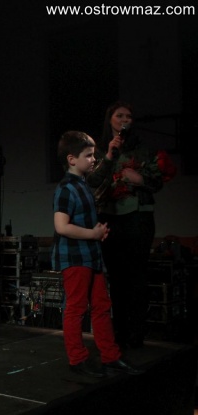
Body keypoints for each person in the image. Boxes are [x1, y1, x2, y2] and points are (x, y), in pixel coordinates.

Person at [52, 130, 143, 377]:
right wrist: (92, 234)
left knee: (102, 306)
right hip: (75, 257)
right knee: (76, 308)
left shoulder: (83, 185)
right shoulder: (66, 188)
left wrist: (97, 233)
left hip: (92, 255)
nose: (93, 159)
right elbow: (61, 226)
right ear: (72, 159)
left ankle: (110, 356)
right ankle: (77, 359)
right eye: (89, 155)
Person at [87, 101, 174, 349]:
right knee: (116, 277)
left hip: (138, 218)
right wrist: (109, 155)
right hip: (110, 218)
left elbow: (157, 182)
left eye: (128, 116)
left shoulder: (142, 149)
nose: (125, 120)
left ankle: (136, 333)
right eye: (120, 115)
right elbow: (92, 180)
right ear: (110, 119)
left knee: (136, 276)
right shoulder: (100, 150)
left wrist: (140, 179)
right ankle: (119, 331)